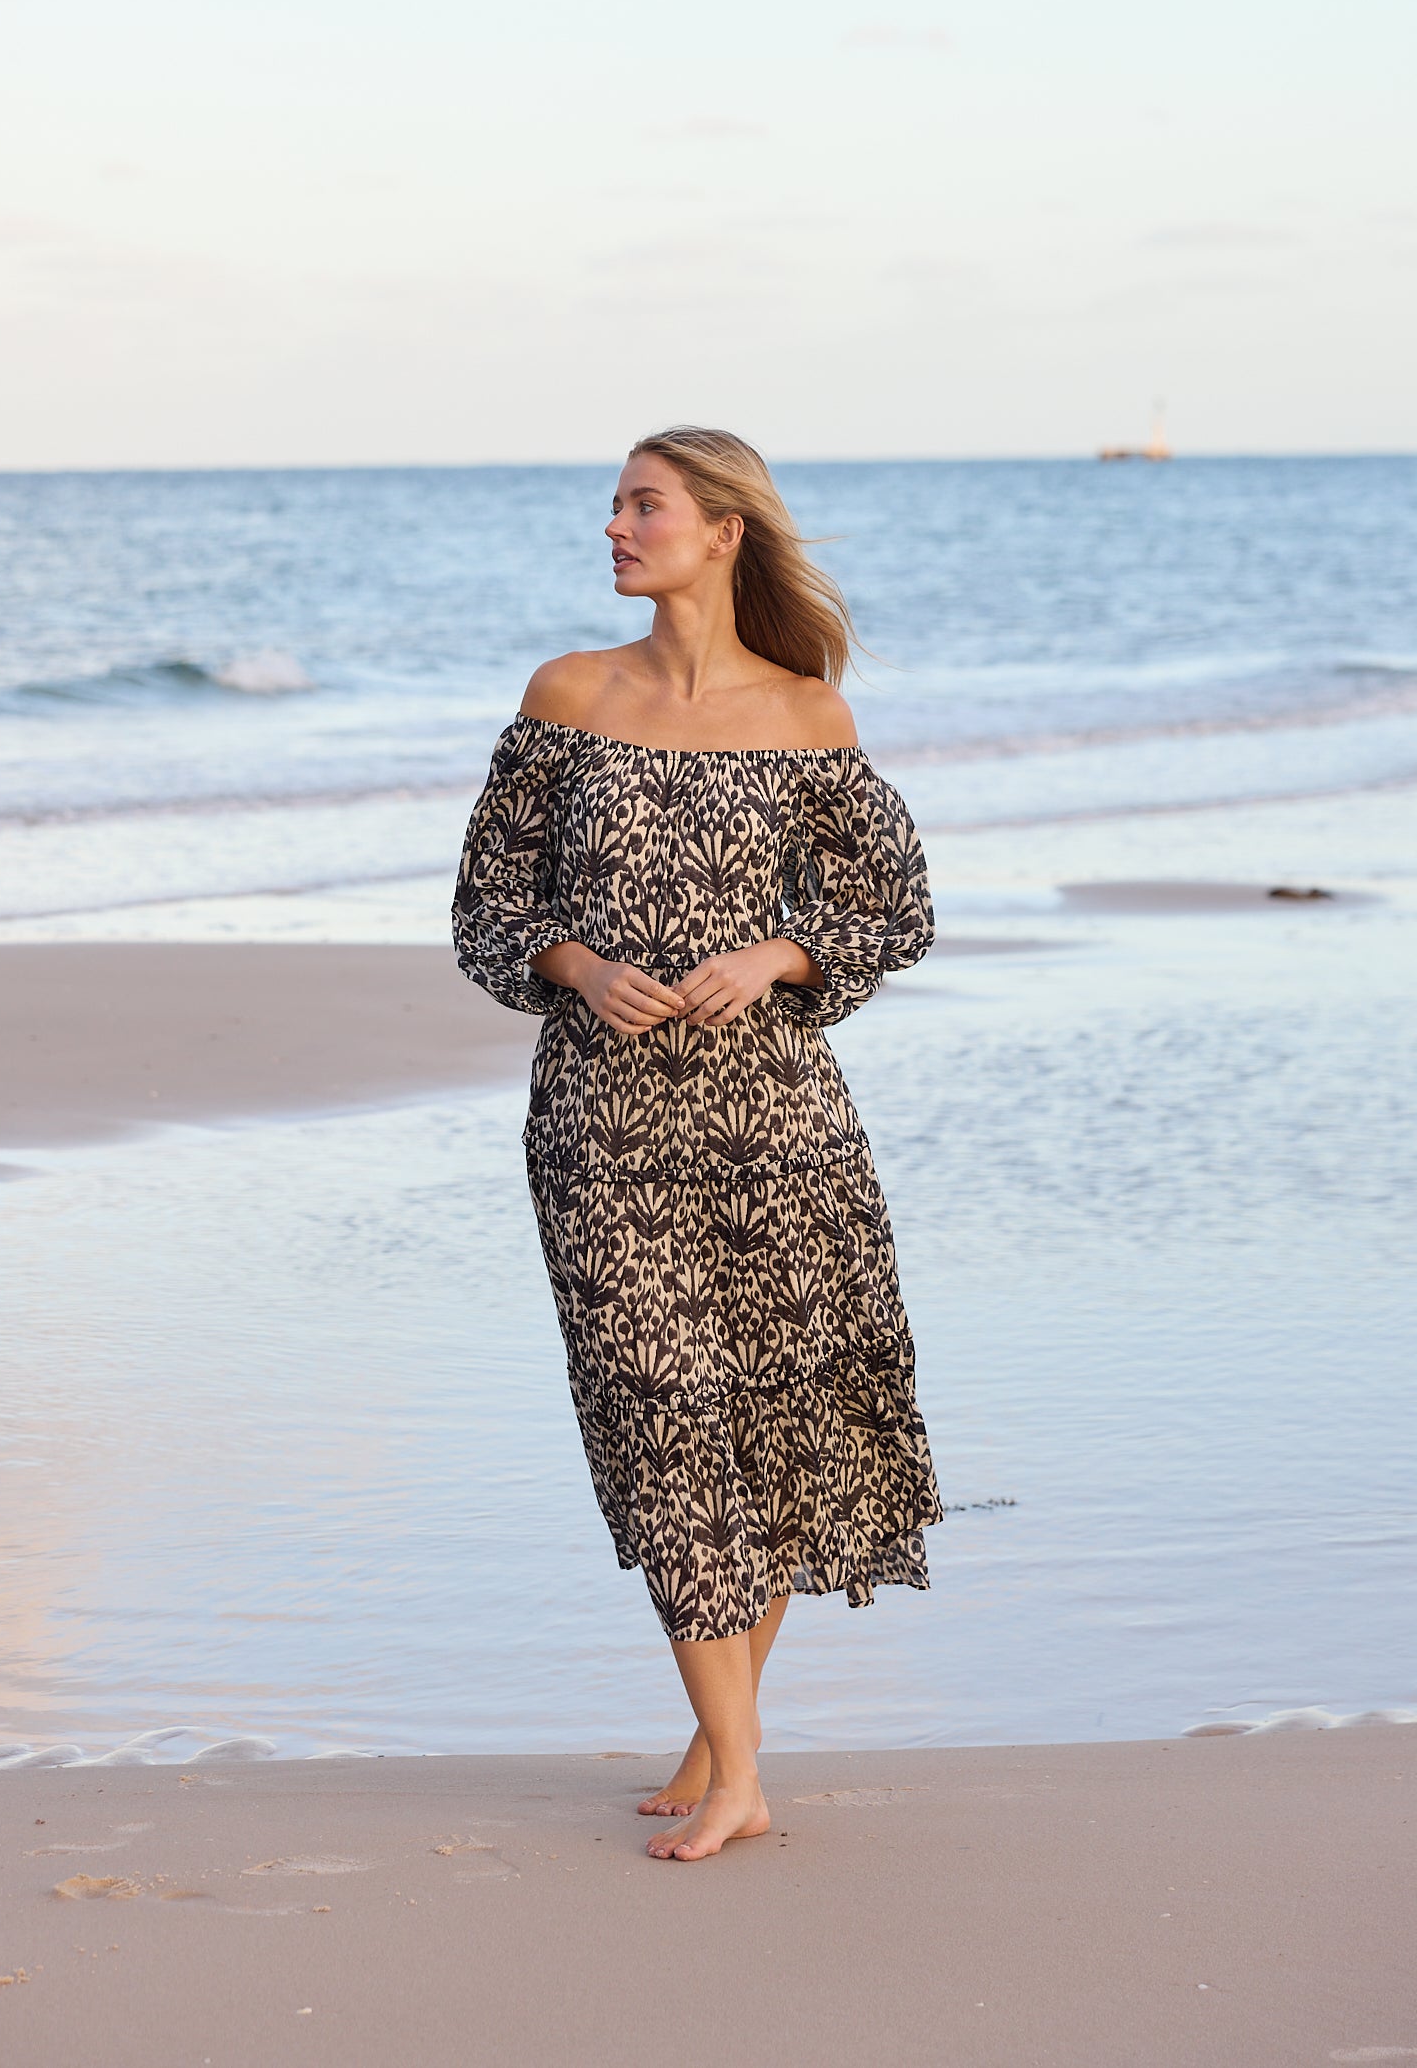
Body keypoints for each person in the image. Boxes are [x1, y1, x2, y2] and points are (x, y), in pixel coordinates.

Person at [452, 425, 940, 1863]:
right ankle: (742, 1766)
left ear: (722, 528)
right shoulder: (566, 695)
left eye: (641, 504)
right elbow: (486, 898)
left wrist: (783, 950)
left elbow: (892, 907)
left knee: (774, 1423)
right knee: (661, 1414)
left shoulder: (806, 715)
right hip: (601, 1126)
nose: (613, 526)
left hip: (777, 1128)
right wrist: (574, 963)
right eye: (611, 504)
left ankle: (718, 1740)